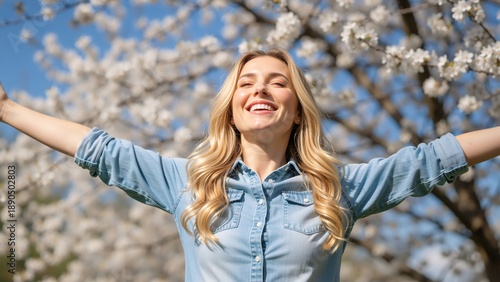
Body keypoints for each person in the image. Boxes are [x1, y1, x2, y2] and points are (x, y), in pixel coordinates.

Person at [0, 49, 499, 281]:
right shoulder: (189, 182)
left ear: (297, 107)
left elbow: (432, 160)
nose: (260, 87)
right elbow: (98, 149)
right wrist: (7, 109)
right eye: (246, 82)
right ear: (232, 108)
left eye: (277, 81)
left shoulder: (338, 189)